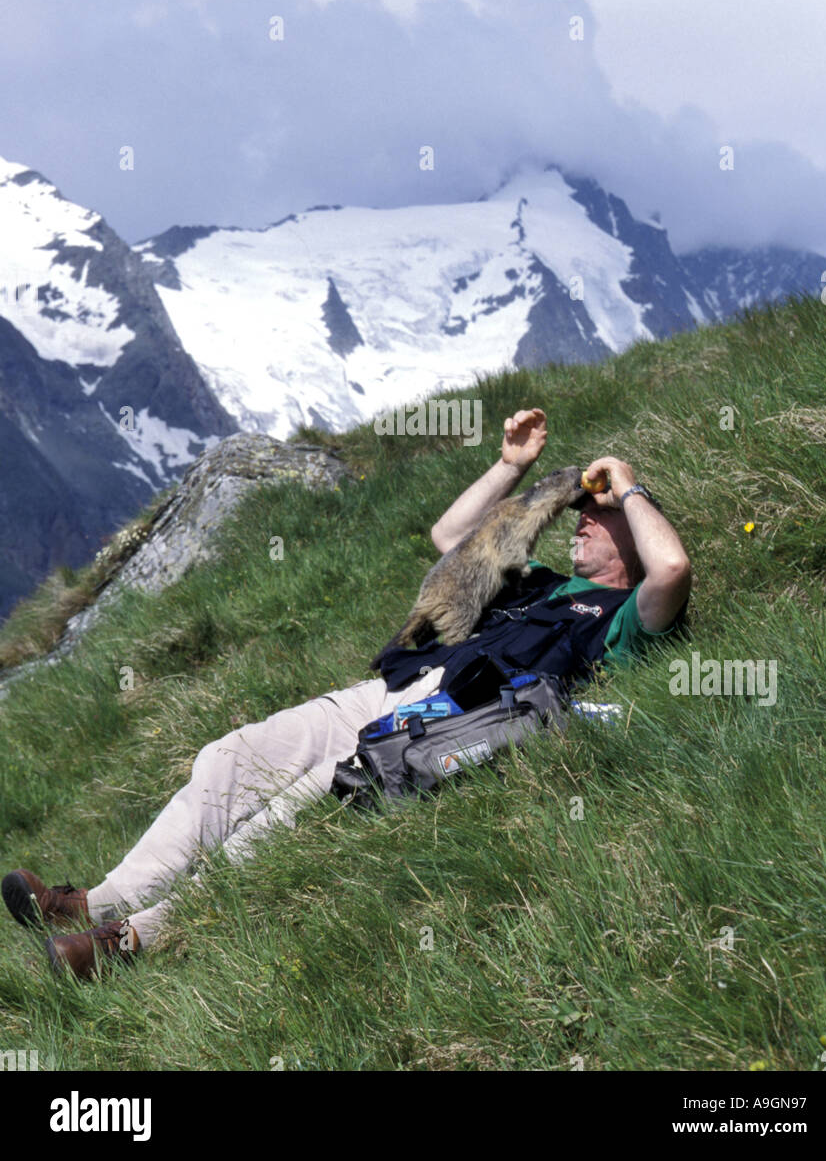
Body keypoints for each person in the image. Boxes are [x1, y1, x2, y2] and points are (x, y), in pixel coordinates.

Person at [2, 408, 691, 979]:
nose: (584, 517)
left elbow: (672, 567)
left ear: (631, 538)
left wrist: (627, 487)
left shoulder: (619, 618)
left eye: (601, 519)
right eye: (585, 511)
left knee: (273, 829)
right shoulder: (536, 580)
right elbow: (451, 537)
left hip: (433, 729)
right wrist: (511, 465)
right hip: (389, 689)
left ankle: (124, 944)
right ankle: (95, 902)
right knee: (230, 756)